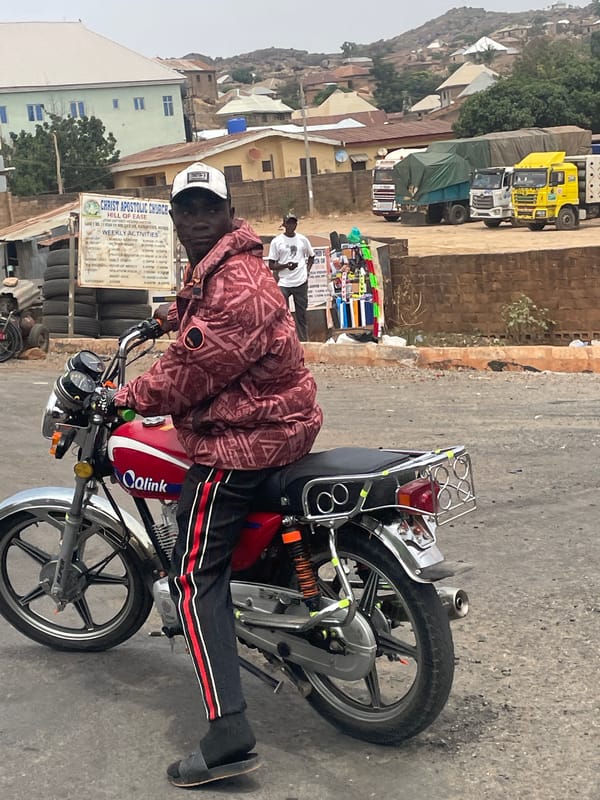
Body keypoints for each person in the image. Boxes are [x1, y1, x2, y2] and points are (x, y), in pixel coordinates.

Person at [113, 162, 323, 788]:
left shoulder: (234, 284)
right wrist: (164, 321)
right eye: (188, 209)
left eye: (210, 208)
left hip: (241, 445)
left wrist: (121, 398)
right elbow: (198, 324)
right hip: (283, 426)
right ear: (176, 219)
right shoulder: (228, 267)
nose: (198, 219)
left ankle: (228, 730)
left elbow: (188, 372)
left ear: (229, 213)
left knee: (192, 577)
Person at [268, 213, 315, 341]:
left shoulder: (302, 240)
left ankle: (304, 341)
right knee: (282, 313)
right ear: (284, 224)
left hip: (300, 281)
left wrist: (307, 270)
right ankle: (286, 339)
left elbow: (312, 256)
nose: (291, 226)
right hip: (284, 282)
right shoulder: (277, 242)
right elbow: (271, 264)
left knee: (301, 314)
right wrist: (285, 266)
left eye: (293, 223)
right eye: (288, 223)